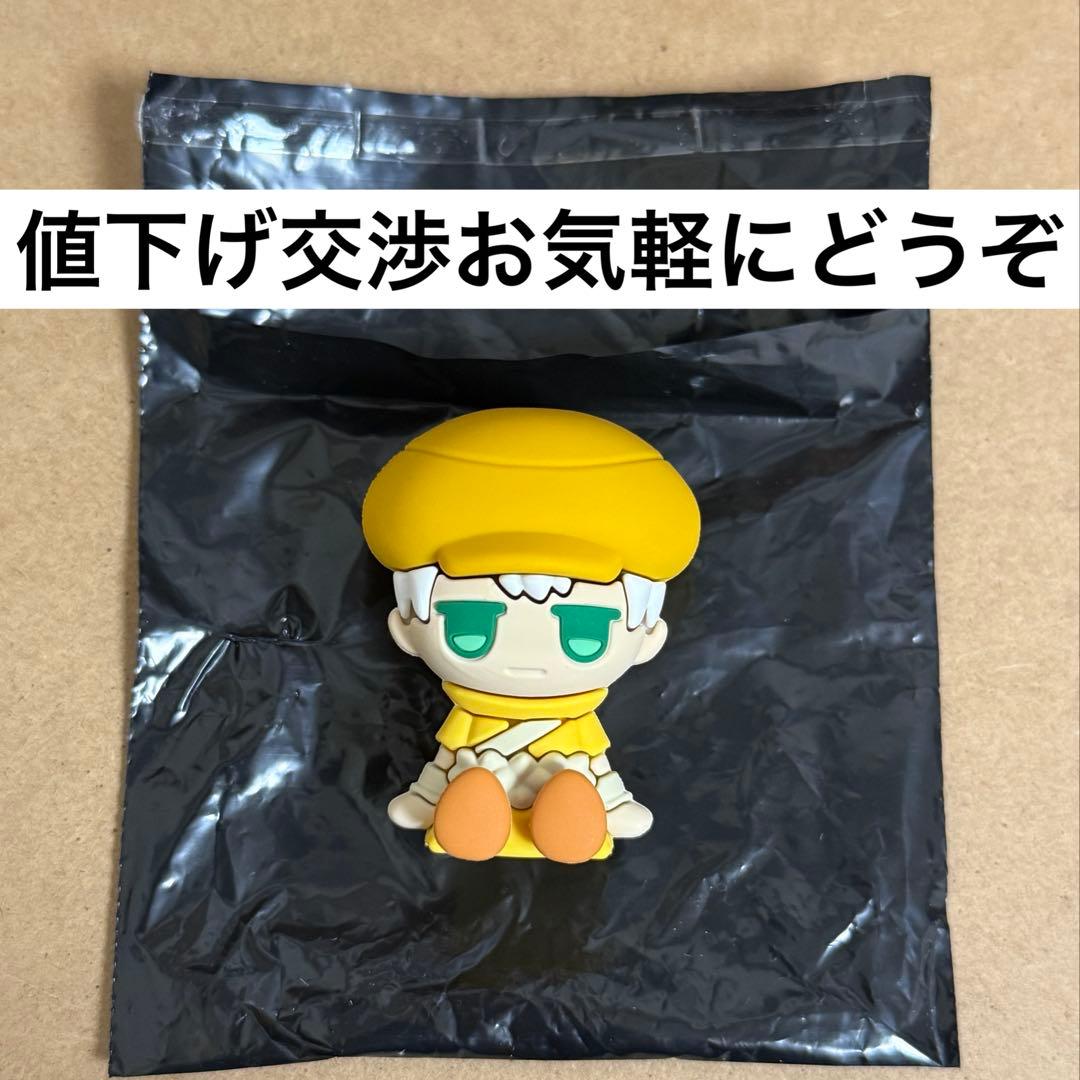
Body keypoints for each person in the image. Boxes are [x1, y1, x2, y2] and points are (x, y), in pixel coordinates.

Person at [362, 407, 700, 863]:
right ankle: (476, 820)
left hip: (559, 792)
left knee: (564, 780)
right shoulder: (473, 719)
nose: (527, 656)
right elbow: (445, 762)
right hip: (475, 791)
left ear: (648, 640)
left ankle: (564, 821)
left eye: (584, 635)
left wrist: (613, 803)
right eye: (470, 630)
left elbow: (596, 767)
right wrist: (426, 798)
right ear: (405, 630)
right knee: (475, 777)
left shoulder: (568, 726)